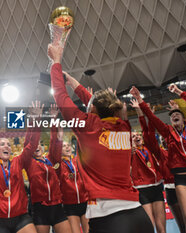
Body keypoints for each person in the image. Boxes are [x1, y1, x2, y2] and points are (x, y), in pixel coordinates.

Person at [48, 43, 153, 233]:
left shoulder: (88, 126)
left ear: (93, 110)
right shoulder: (123, 127)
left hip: (109, 219)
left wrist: (56, 62)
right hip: (139, 215)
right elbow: (102, 105)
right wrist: (73, 82)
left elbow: (61, 97)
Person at [130, 84, 186, 233]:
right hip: (181, 180)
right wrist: (139, 100)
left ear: (183, 118)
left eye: (178, 114)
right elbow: (151, 117)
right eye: (172, 115)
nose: (174, 115)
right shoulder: (167, 133)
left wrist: (178, 91)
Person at [0, 96, 41, 233]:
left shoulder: (18, 162)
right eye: (2, 144)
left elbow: (32, 145)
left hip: (20, 216)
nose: (6, 146)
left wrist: (36, 120)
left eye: (8, 144)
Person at [24, 104, 72, 233]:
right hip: (40, 208)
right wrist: (35, 118)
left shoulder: (50, 159)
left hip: (57, 206)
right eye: (35, 145)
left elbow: (55, 142)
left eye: (39, 144)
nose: (37, 146)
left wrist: (54, 119)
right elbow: (29, 140)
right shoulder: (29, 162)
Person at [129, 100, 166, 233]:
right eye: (133, 136)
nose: (137, 136)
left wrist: (141, 110)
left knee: (162, 229)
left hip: (156, 187)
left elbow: (146, 127)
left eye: (137, 135)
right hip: (141, 190)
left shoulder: (149, 147)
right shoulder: (130, 151)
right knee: (149, 228)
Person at [57, 128, 89, 233]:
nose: (67, 147)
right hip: (70, 205)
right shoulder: (58, 165)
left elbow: (83, 146)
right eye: (64, 146)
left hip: (84, 202)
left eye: (68, 145)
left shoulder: (77, 160)